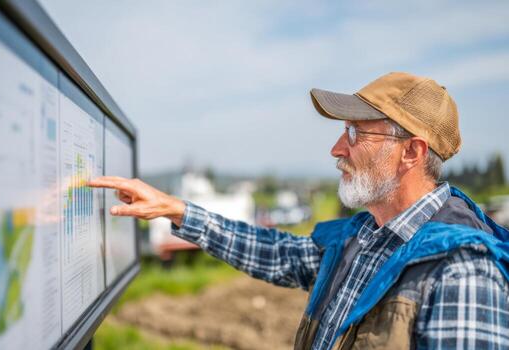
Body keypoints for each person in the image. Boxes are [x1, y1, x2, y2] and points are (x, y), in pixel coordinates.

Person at [88, 72, 509, 350]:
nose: (337, 149)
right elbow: (276, 252)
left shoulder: (463, 271)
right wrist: (177, 210)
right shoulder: (362, 237)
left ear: (412, 152)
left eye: (355, 133)